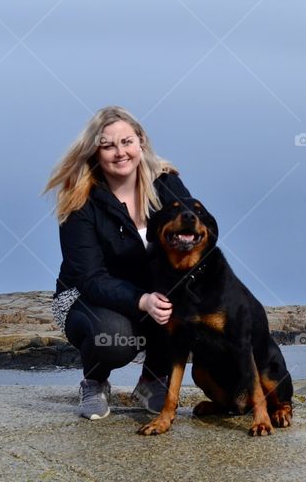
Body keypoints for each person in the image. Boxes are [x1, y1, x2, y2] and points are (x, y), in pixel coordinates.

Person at [42, 106, 193, 420]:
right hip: (82, 296)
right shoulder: (79, 199)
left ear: (141, 142)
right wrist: (142, 300)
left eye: (126, 142)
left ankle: (152, 380)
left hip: (146, 291)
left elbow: (192, 233)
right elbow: (89, 277)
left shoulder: (166, 183)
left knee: (188, 304)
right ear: (94, 151)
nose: (119, 152)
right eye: (108, 145)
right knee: (114, 338)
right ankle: (94, 382)